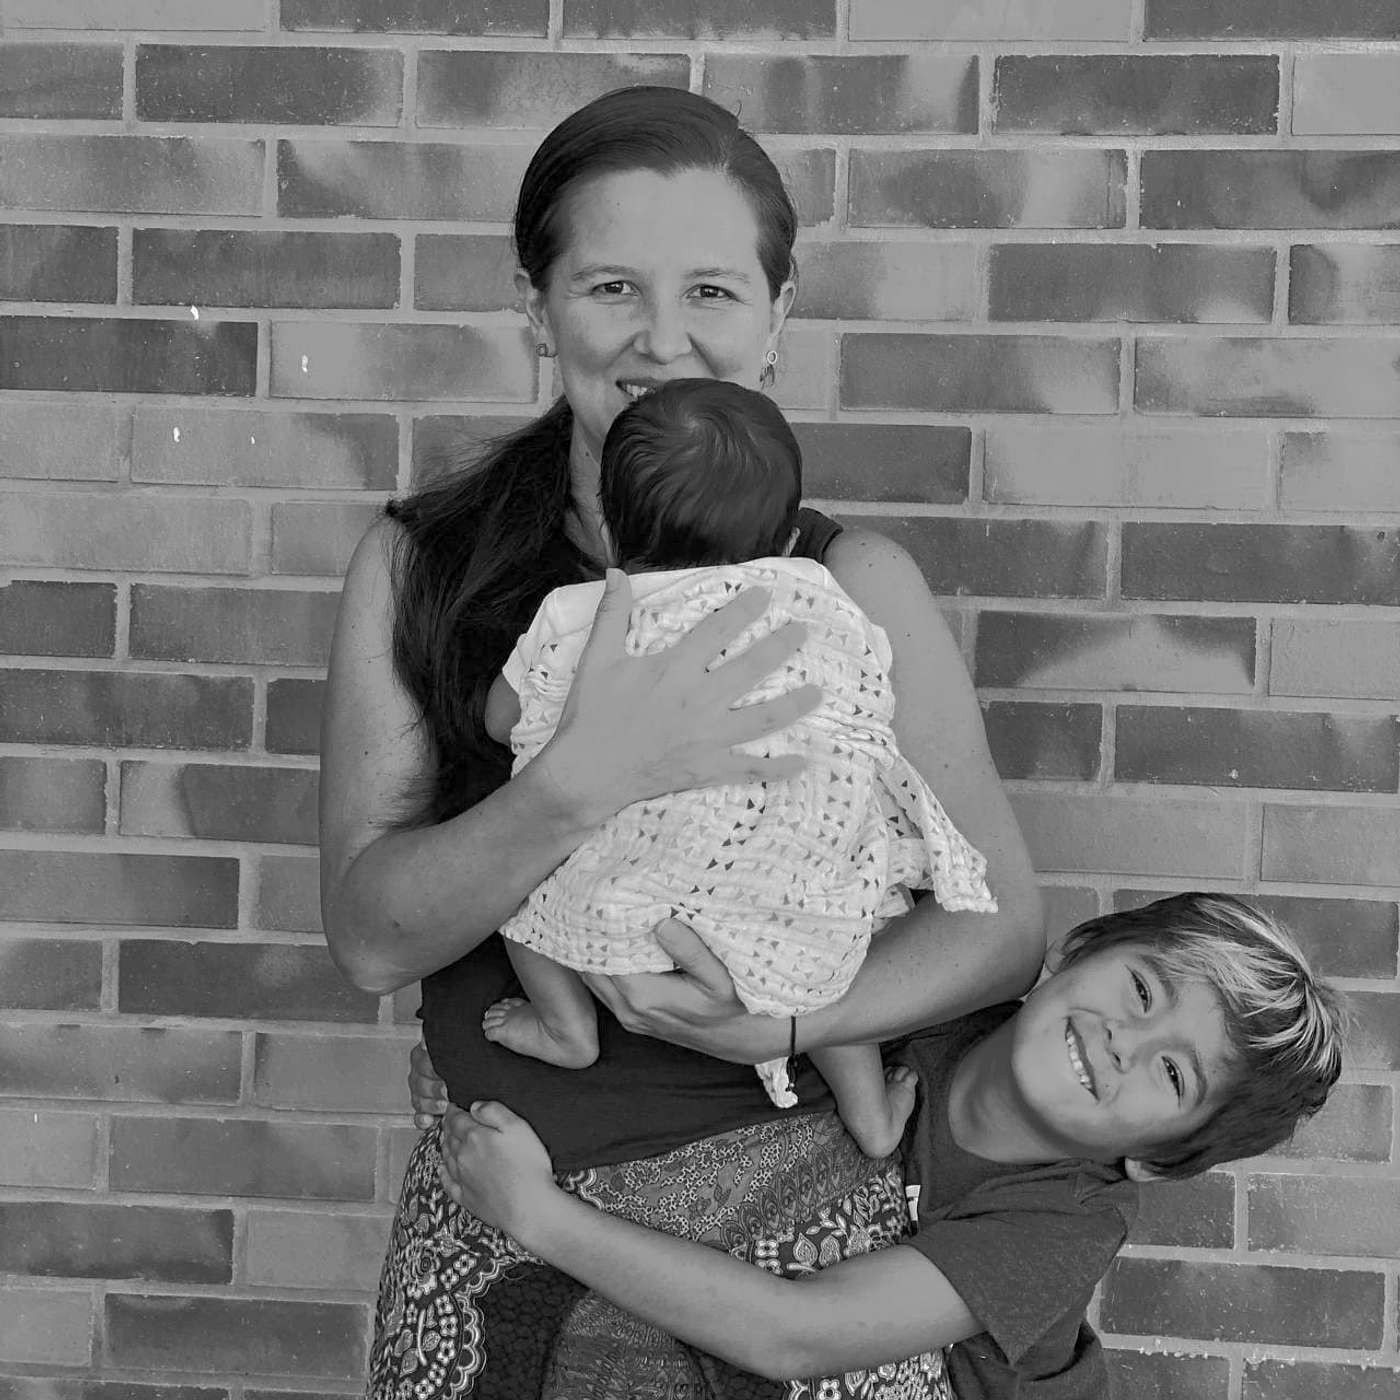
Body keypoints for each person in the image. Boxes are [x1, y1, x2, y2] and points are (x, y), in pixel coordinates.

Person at [319, 84, 1044, 1396]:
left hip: (805, 1229)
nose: (663, 338)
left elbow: (997, 928)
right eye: (610, 288)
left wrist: (789, 1021)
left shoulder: (851, 583)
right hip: (502, 1215)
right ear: (535, 306)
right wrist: (582, 778)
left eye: (711, 289)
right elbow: (372, 940)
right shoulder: (424, 564)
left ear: (777, 312)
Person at [428, 893, 1346, 1397]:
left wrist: (535, 1214)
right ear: (1077, 953)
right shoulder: (938, 1000)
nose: (1124, 1042)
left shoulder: (1066, 1223)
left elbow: (797, 1336)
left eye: (1173, 1075)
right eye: (1143, 991)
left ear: (1158, 1158)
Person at [481, 377, 997, 1158]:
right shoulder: (822, 597)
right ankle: (871, 1116)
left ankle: (564, 1026)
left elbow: (503, 720)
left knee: (513, 879)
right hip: (788, 890)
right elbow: (867, 698)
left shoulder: (579, 611)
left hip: (626, 897)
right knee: (833, 954)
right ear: (787, 542)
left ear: (611, 531)